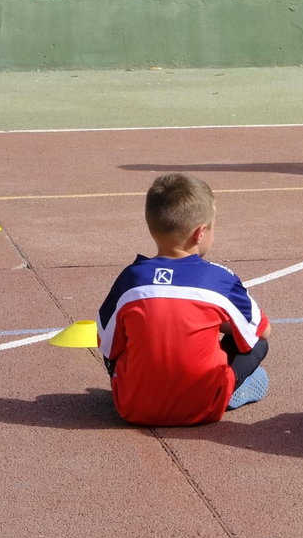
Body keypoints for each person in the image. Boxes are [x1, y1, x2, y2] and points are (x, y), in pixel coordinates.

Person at [98, 173, 270, 427]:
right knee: (255, 342)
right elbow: (263, 331)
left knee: (123, 335)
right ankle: (229, 388)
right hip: (203, 407)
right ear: (200, 233)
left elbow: (106, 342)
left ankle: (144, 388)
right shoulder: (219, 278)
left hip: (133, 408)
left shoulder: (130, 278)